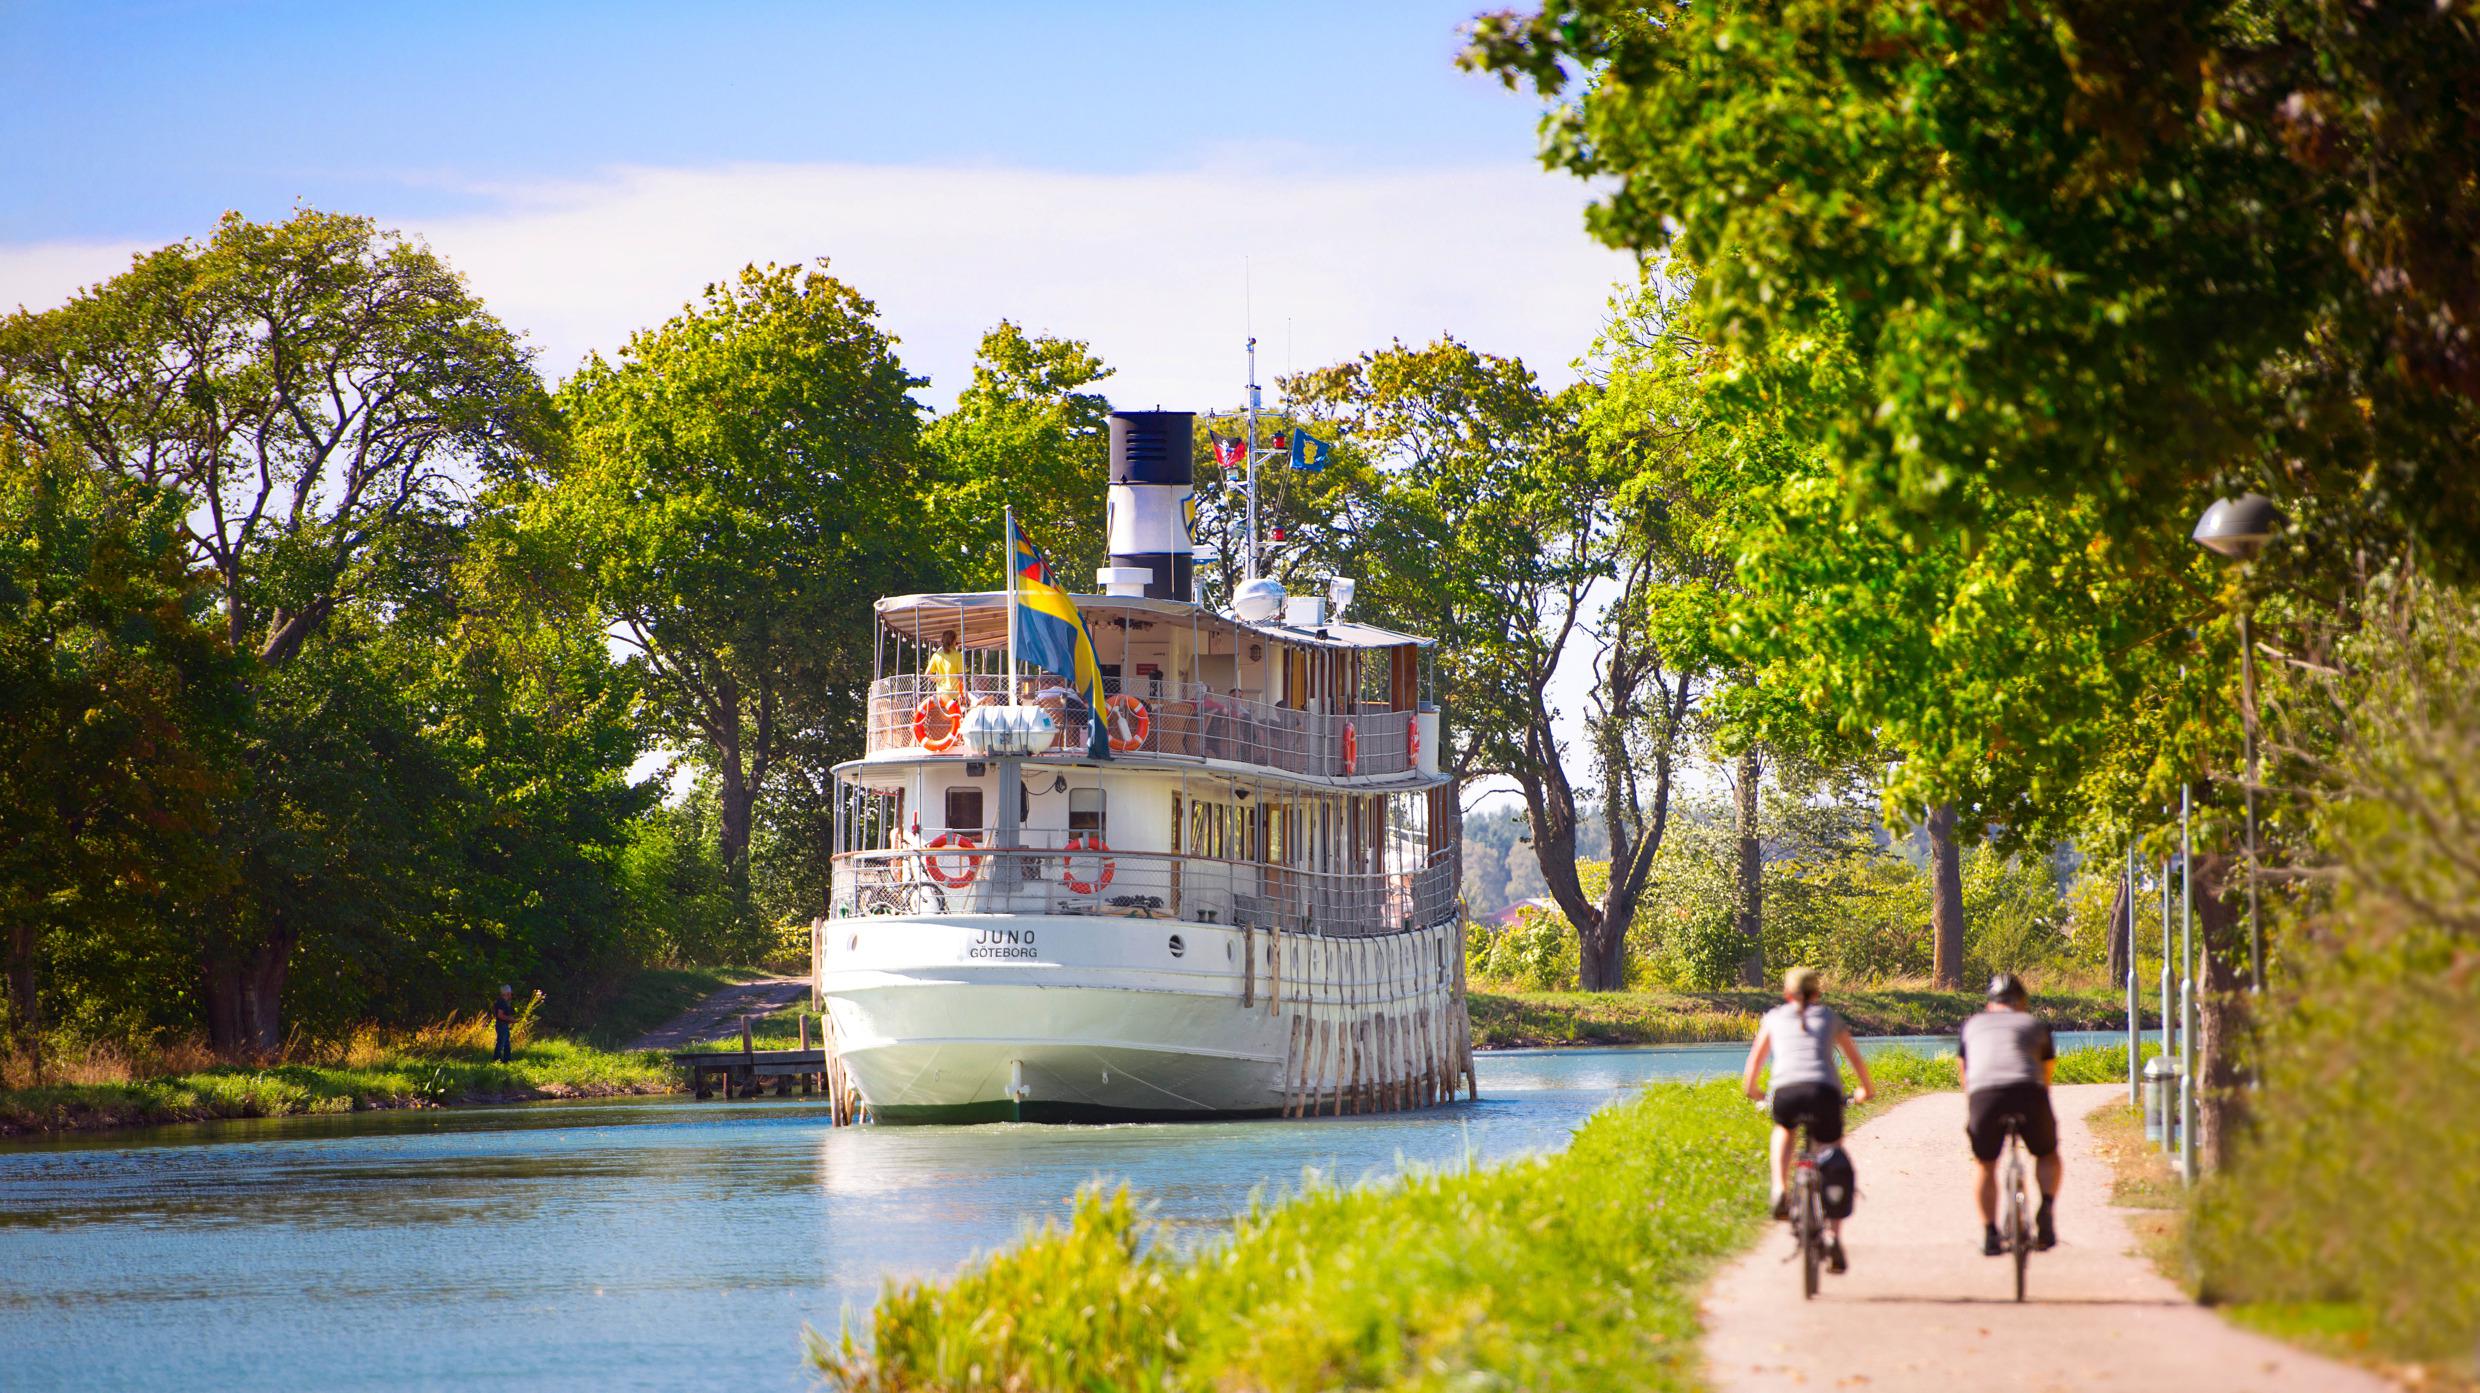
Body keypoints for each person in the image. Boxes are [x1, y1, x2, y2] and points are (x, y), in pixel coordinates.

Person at [1742, 966, 1877, 1274]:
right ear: (1817, 993)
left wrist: (1758, 1094)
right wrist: (1864, 1091)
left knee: (1784, 1129)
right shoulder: (1829, 1018)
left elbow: (1752, 1070)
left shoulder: (1773, 1018)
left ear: (1786, 994)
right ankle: (1832, 1235)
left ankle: (1780, 1188)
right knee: (1831, 1153)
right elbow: (1857, 1063)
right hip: (1824, 1093)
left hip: (1787, 1092)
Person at [1960, 971, 2061, 1255]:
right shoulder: (2036, 1025)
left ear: (1989, 1003)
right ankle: (2048, 1209)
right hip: (2029, 1093)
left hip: (1985, 1096)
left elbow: (1966, 1076)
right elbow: (2045, 1076)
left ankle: (1990, 1234)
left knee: (1985, 1163)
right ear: (2022, 1002)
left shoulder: (1972, 1025)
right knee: (2047, 1153)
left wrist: (1978, 1110)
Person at [927, 629, 964, 701]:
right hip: (954, 693)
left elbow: (927, 674)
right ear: (954, 641)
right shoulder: (959, 656)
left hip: (941, 693)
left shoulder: (936, 655)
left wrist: (938, 679)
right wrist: (962, 693)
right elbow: (960, 678)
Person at [491, 984, 516, 1063]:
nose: (510, 995)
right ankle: (496, 1059)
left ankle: (507, 1059)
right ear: (507, 993)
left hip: (503, 1024)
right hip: (501, 1025)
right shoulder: (501, 1002)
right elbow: (500, 1015)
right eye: (510, 993)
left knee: (506, 1043)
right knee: (501, 1042)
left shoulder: (503, 1002)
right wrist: (511, 1019)